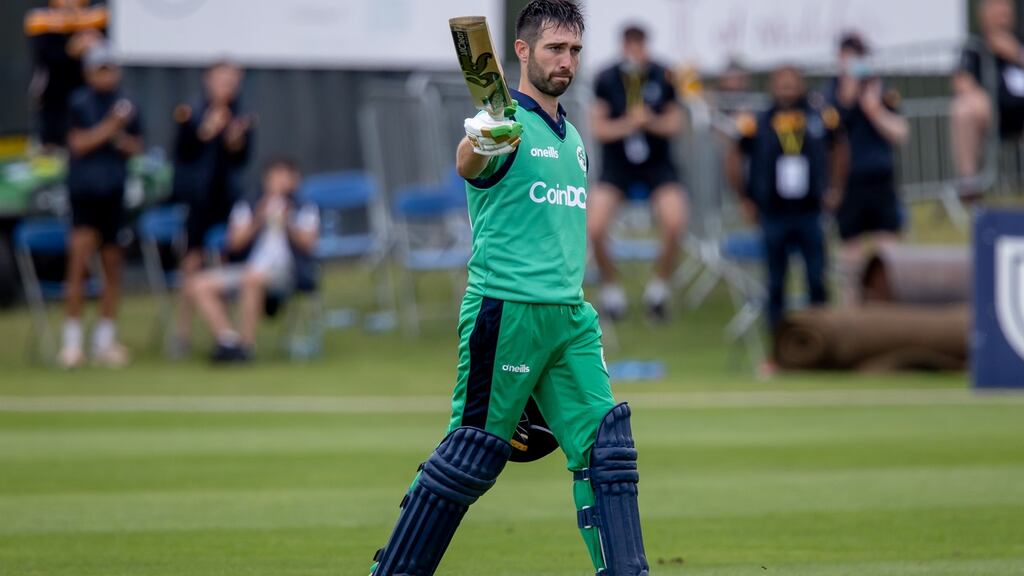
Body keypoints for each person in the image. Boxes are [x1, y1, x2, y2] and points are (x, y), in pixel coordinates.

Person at [370, 2, 649, 575]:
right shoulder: (505, 125)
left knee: (608, 451)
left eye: (573, 50)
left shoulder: (572, 135)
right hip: (508, 313)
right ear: (522, 51)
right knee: (472, 453)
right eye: (554, 49)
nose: (566, 61)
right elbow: (470, 162)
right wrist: (482, 138)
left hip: (569, 317)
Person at [726, 66, 846, 369]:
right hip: (774, 213)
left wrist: (836, 187)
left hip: (809, 211)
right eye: (782, 84)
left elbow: (841, 146)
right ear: (772, 86)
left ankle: (823, 350)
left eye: (793, 83)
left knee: (816, 280)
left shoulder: (820, 116)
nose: (788, 89)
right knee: (776, 284)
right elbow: (733, 152)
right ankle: (780, 354)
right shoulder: (758, 120)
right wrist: (744, 196)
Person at [588, 25, 689, 321]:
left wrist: (649, 121)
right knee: (594, 226)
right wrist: (629, 124)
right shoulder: (606, 77)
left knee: (675, 221)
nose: (635, 51)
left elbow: (674, 124)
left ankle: (658, 288)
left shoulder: (663, 74)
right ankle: (611, 290)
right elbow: (599, 128)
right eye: (630, 45)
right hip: (617, 166)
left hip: (657, 165)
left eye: (639, 45)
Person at [58, 43, 143, 368]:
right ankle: (72, 343)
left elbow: (135, 146)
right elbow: (79, 143)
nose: (106, 75)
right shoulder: (79, 102)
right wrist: (110, 127)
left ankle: (105, 342)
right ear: (89, 71)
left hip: (113, 193)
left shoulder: (128, 103)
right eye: (100, 69)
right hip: (84, 194)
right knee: (78, 266)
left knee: (112, 268)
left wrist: (117, 137)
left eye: (110, 68)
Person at [185, 157, 317, 363]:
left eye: (285, 176)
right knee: (198, 284)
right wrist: (259, 218)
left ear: (294, 180)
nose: (280, 181)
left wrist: (288, 220)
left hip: (286, 273)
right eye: (275, 175)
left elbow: (309, 245)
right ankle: (228, 341)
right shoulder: (248, 204)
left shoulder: (303, 207)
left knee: (252, 278)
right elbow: (234, 243)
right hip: (248, 268)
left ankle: (246, 346)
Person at [169, 61, 254, 357]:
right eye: (222, 78)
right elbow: (182, 152)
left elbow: (242, 160)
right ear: (208, 79)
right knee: (191, 263)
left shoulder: (240, 116)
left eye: (233, 79)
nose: (227, 84)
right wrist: (206, 130)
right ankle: (182, 334)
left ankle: (229, 334)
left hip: (226, 200)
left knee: (231, 261)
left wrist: (234, 141)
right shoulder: (190, 112)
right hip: (198, 199)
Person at [827, 33, 909, 305]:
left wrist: (873, 109)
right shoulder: (830, 93)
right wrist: (847, 97)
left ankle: (894, 312)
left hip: (880, 180)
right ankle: (851, 316)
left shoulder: (881, 91)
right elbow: (831, 132)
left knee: (889, 252)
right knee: (850, 255)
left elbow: (900, 133)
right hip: (848, 182)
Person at [951, 0, 1024, 191]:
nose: (1004, 11)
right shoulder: (975, 46)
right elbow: (961, 82)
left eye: (1007, 6)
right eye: (997, 6)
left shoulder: (1020, 40)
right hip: (994, 114)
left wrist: (1016, 54)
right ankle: (970, 185)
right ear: (984, 13)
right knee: (964, 109)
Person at [24, 0, 107, 150]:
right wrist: (70, 50)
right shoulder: (41, 17)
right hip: (54, 102)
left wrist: (95, 43)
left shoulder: (98, 14)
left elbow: (107, 58)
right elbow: (43, 56)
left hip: (90, 105)